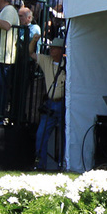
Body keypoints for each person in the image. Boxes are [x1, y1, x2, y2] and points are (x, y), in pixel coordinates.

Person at [33, 39, 66, 169]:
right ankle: (40, 165)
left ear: (61, 50)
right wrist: (34, 41)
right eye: (51, 47)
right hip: (51, 103)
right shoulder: (46, 61)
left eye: (55, 48)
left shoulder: (67, 64)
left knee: (65, 136)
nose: (51, 50)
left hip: (63, 103)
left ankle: (63, 164)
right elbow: (31, 53)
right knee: (41, 134)